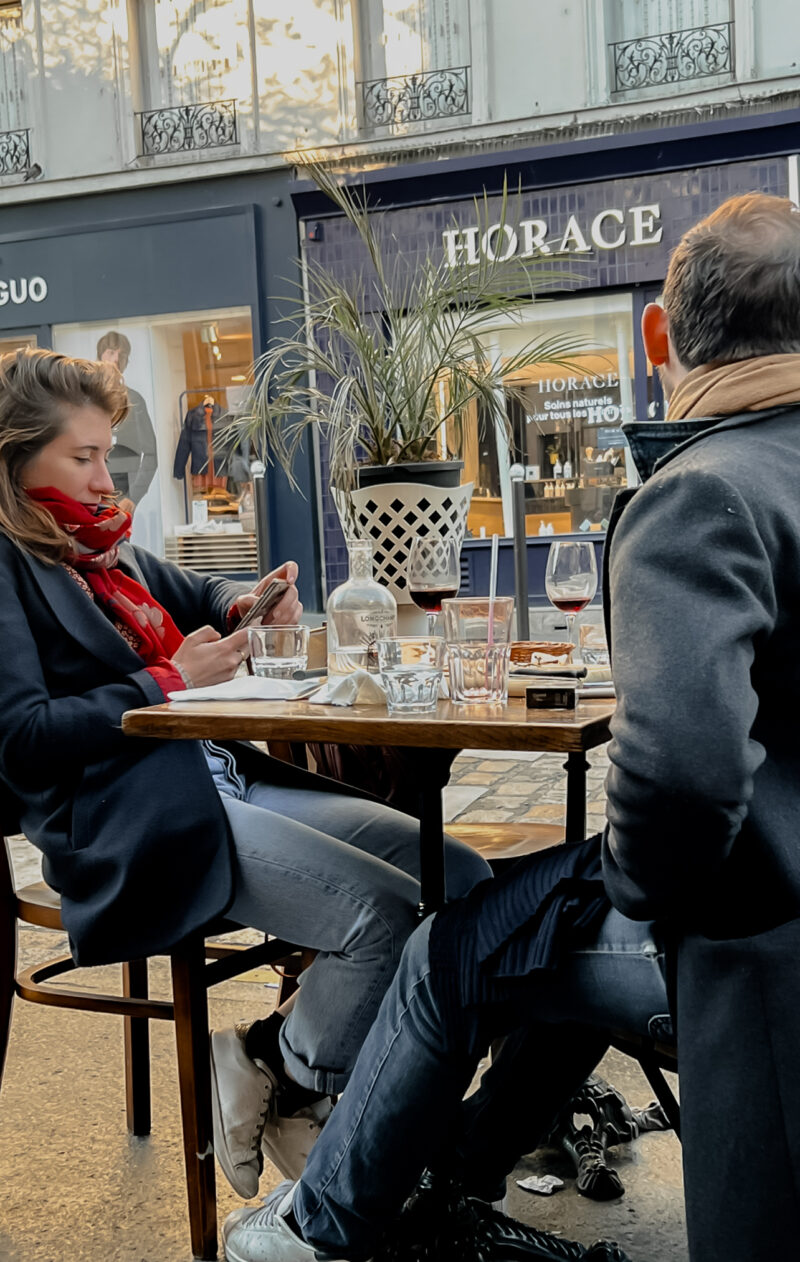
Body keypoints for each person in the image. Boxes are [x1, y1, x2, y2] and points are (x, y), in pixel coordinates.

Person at [222, 192, 800, 1262]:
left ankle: (318, 1227)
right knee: (517, 918)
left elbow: (679, 781)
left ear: (657, 336)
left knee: (456, 939)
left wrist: (634, 898)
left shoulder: (701, 489)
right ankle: (450, 1176)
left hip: (752, 936)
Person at [0, 347, 490, 1203]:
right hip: (130, 817)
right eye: (82, 456)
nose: (105, 475)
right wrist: (167, 681)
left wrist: (241, 600)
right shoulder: (14, 562)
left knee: (468, 880)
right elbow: (20, 738)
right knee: (379, 917)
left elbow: (197, 587)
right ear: (15, 457)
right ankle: (303, 1078)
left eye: (107, 453)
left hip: (220, 776)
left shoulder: (100, 550)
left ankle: (276, 1060)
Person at [96, 330, 158, 511]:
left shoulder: (134, 400)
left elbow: (151, 454)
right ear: (100, 355)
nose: (116, 359)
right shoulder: (85, 399)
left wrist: (133, 498)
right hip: (90, 494)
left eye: (122, 355)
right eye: (111, 352)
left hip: (122, 494)